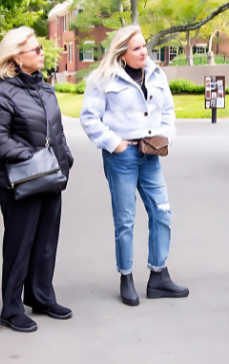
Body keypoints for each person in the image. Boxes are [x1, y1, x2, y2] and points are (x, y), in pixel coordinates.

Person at [80, 25, 188, 307]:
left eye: (144, 46)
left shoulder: (156, 73)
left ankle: (158, 275)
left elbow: (167, 112)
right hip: (122, 156)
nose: (144, 52)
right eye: (137, 48)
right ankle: (126, 277)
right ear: (122, 53)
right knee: (125, 220)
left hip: (151, 153)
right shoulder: (102, 78)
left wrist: (166, 137)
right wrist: (114, 143)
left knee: (162, 212)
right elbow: (90, 119)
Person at [0, 26, 74, 333]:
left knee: (46, 242)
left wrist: (65, 158)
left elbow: (57, 132)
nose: (42, 53)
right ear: (16, 57)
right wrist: (34, 159)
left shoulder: (46, 89)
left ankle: (40, 296)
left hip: (51, 175)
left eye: (40, 48)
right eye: (35, 49)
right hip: (20, 180)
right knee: (19, 243)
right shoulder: (1, 93)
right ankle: (11, 309)